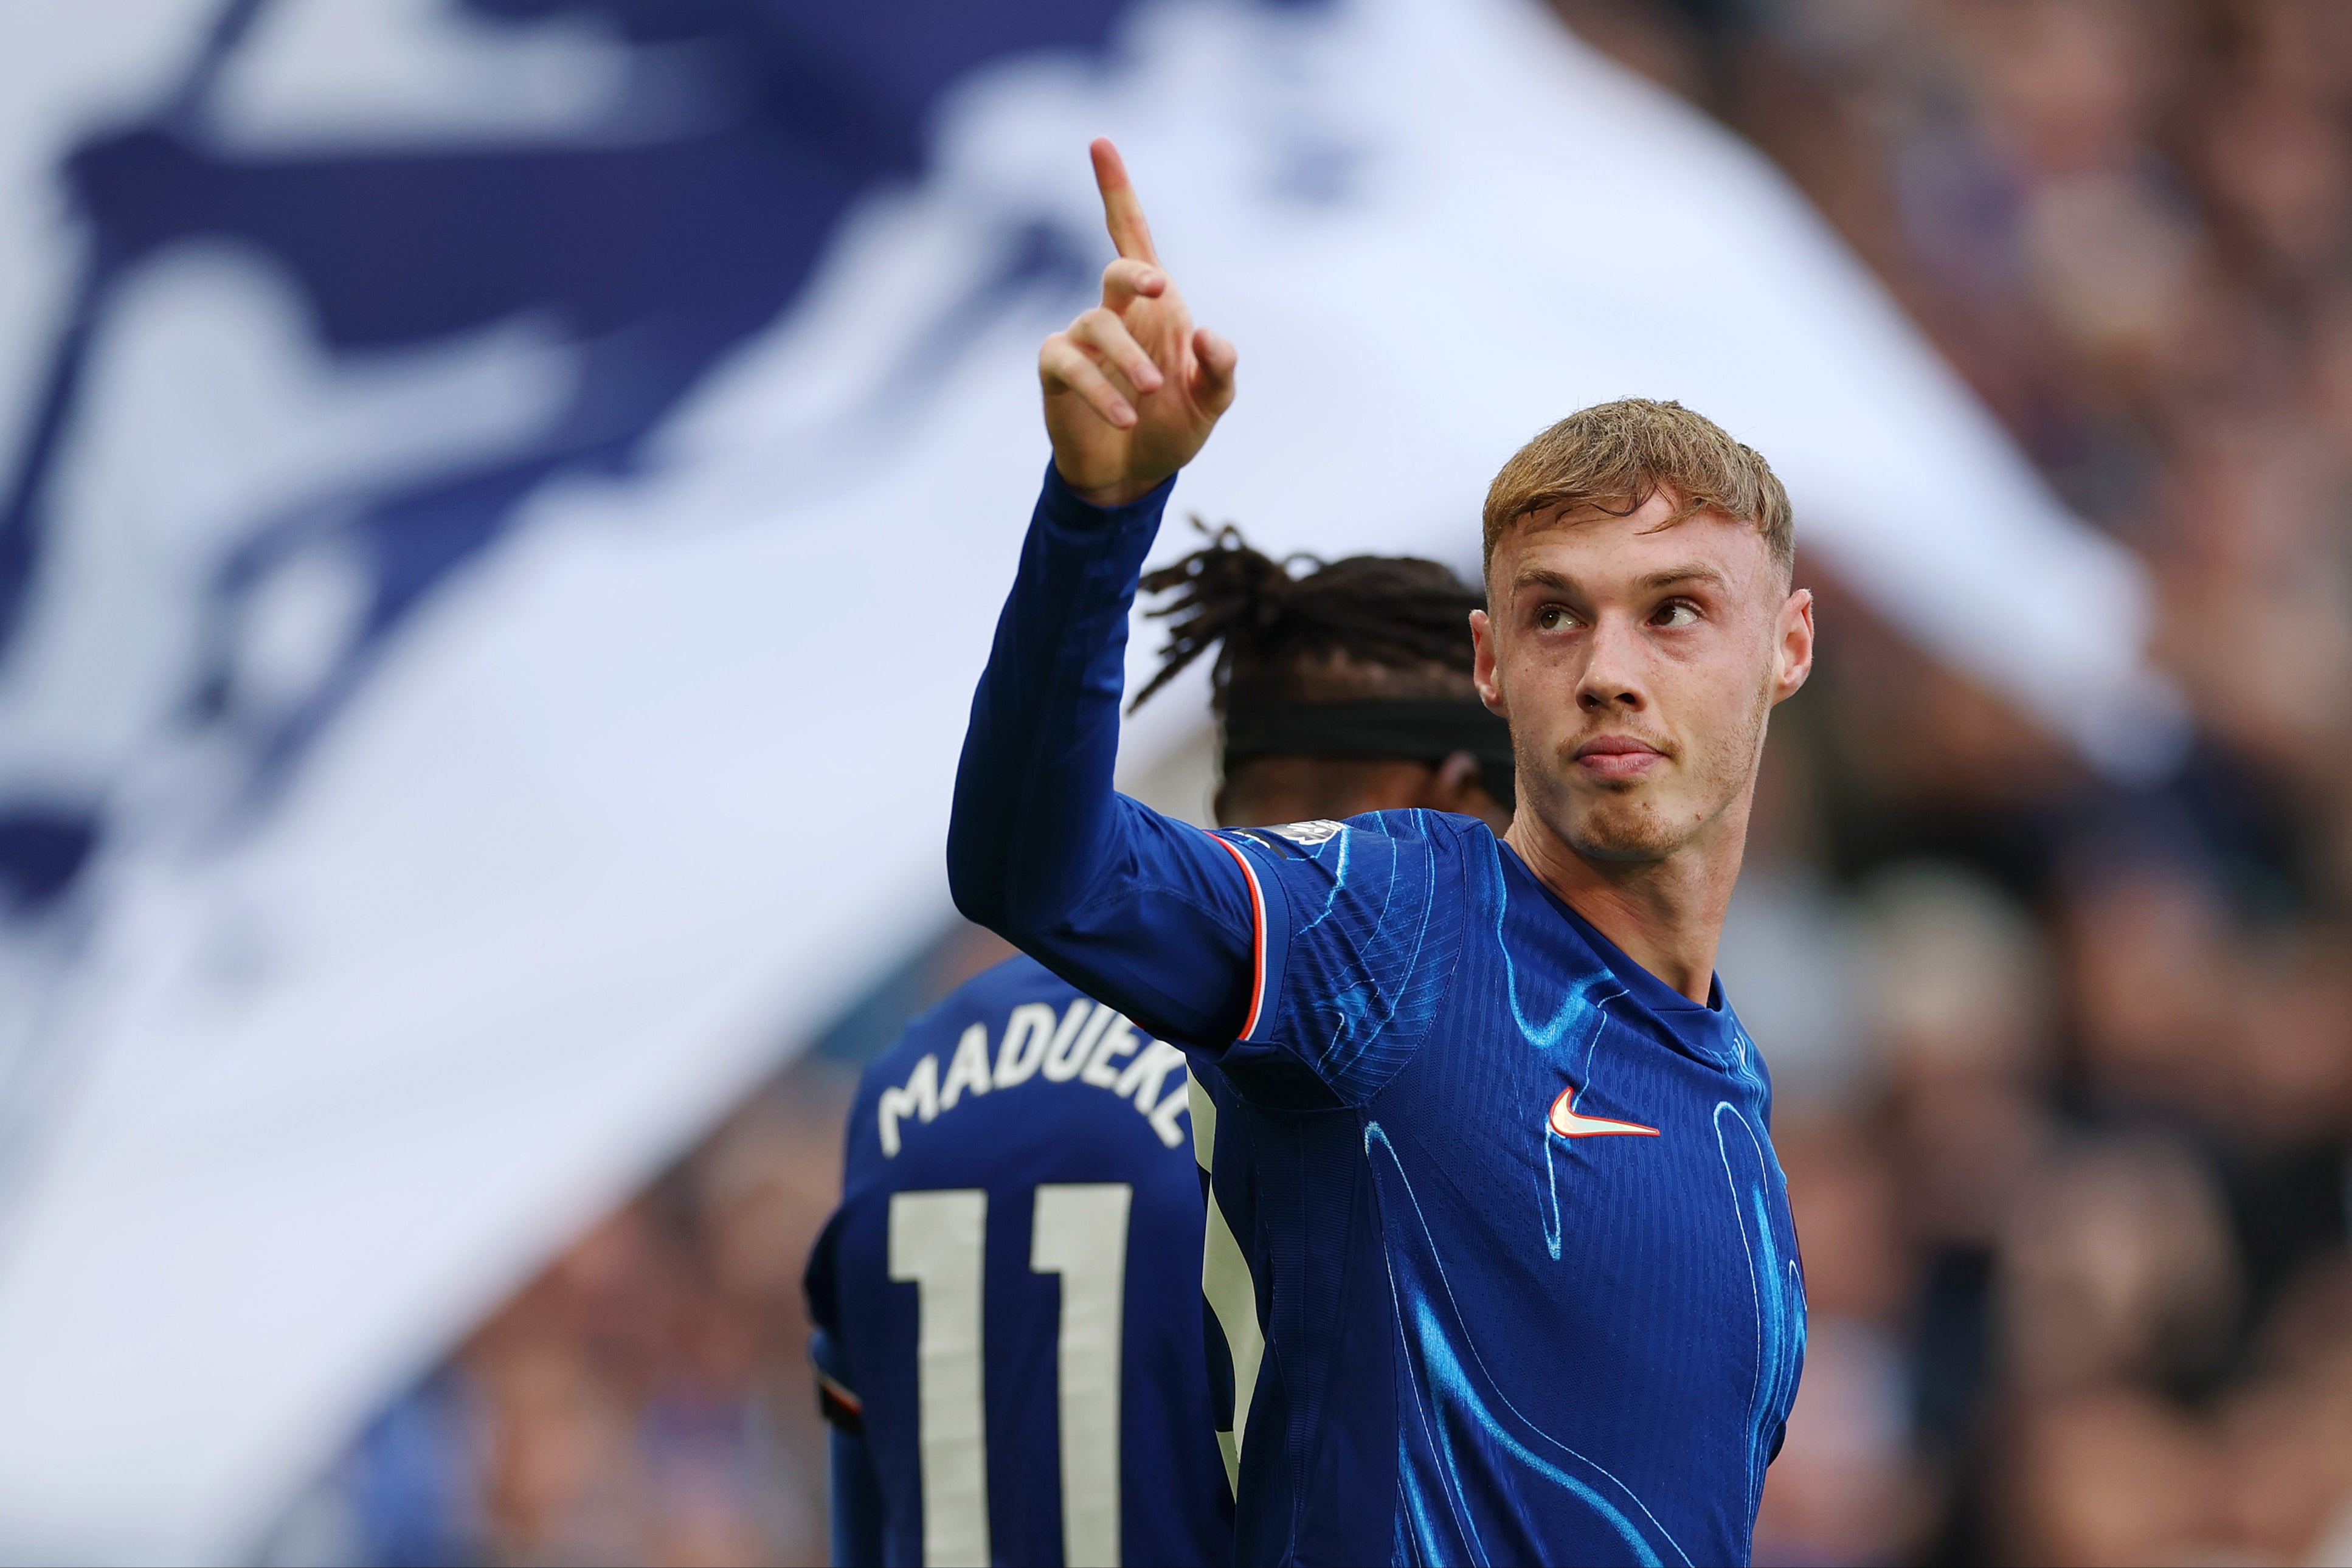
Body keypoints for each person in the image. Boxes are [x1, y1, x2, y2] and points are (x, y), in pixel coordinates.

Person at [946, 139, 1815, 1565]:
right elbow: (1035, 869)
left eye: (1672, 612)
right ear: (1485, 663)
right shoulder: (1395, 919)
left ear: (1782, 645)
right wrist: (1098, 516)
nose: (1606, 669)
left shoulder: (1739, 1122)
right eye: (1553, 615)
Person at [804, 519, 1512, 1566]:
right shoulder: (1376, 1112)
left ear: (1228, 801)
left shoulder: (909, 1071)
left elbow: (863, 1519)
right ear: (1456, 802)